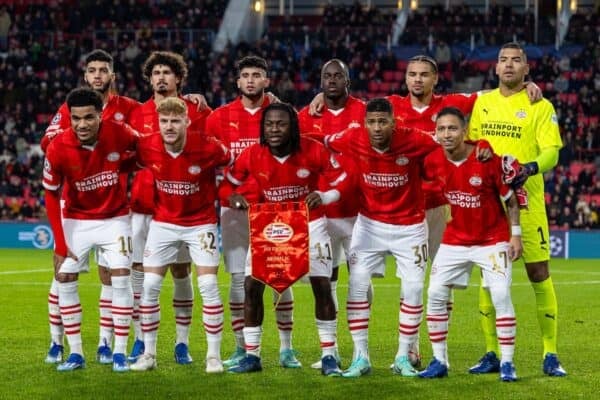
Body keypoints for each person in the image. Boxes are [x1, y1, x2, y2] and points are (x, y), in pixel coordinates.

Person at [309, 54, 541, 366]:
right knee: (412, 284)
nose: (417, 79)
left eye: (424, 75)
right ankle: (412, 349)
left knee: (435, 282)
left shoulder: (454, 103)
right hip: (398, 207)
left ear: (435, 80)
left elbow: (491, 95)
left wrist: (525, 86)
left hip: (440, 207)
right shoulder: (390, 105)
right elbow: (348, 101)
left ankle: (435, 352)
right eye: (412, 74)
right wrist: (322, 95)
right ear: (405, 79)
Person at [225, 102, 346, 376]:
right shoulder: (252, 153)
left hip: (310, 224)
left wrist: (326, 196)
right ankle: (252, 356)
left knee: (322, 285)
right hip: (270, 224)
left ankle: (329, 355)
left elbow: (343, 179)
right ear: (262, 129)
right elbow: (228, 182)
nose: (274, 129)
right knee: (251, 286)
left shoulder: (313, 149)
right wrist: (232, 196)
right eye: (269, 124)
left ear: (293, 125)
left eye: (281, 123)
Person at [468, 42, 566, 377]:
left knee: (539, 273)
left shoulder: (540, 105)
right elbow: (471, 145)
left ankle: (550, 354)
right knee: (488, 279)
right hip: (488, 206)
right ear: (495, 68)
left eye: (516, 61)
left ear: (526, 69)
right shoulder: (483, 104)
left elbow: (552, 152)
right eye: (503, 60)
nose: (509, 65)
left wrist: (527, 168)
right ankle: (492, 352)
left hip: (528, 203)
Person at [324, 98, 441, 378]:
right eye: (372, 122)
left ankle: (403, 355)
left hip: (410, 227)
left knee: (413, 288)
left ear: (394, 122)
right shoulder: (352, 137)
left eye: (383, 121)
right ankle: (360, 356)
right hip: (369, 225)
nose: (377, 128)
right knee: (357, 285)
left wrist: (483, 150)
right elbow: (321, 140)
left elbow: (450, 144)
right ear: (364, 123)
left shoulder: (416, 139)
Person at [42, 49, 139, 366]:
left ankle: (117, 351)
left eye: (103, 70)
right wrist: (59, 242)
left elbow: (146, 146)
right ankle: (71, 349)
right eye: (76, 118)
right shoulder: (59, 143)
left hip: (115, 218)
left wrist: (126, 163)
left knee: (120, 278)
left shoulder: (123, 123)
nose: (82, 123)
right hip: (76, 218)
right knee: (63, 279)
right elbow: (50, 192)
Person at [205, 55, 299, 369]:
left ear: (266, 80)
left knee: (279, 280)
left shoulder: (281, 114)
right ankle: (241, 346)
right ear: (237, 81)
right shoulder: (219, 117)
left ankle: (286, 349)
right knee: (236, 280)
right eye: (245, 75)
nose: (250, 80)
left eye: (256, 75)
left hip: (275, 212)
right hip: (234, 211)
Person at [129, 97, 232, 373]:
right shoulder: (147, 146)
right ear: (158, 123)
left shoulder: (209, 147)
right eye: (164, 121)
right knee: (150, 285)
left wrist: (232, 193)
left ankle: (213, 356)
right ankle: (148, 354)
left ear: (187, 121)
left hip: (201, 224)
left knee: (208, 285)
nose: (169, 126)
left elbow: (234, 163)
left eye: (175, 121)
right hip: (163, 223)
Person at [418, 107, 521, 382]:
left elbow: (510, 199)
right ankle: (439, 360)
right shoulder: (432, 161)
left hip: (492, 239)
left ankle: (508, 363)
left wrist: (516, 235)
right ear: (435, 133)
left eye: (452, 128)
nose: (446, 134)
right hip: (455, 239)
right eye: (441, 129)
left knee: (500, 295)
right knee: (436, 293)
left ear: (465, 132)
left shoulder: (486, 159)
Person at [127, 51, 212, 364]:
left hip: (183, 208)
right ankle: (140, 338)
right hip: (142, 206)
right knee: (140, 272)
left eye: (167, 72)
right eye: (156, 73)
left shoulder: (198, 110)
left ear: (179, 78)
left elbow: (215, 145)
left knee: (181, 270)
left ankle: (181, 343)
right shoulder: (136, 113)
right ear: (149, 79)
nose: (161, 77)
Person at [297, 58, 366, 369]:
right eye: (327, 75)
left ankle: (360, 350)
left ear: (348, 80)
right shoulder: (303, 116)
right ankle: (331, 350)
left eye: (339, 75)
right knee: (323, 279)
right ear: (320, 81)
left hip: (359, 211)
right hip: (319, 213)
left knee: (360, 282)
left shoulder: (365, 112)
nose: (333, 80)